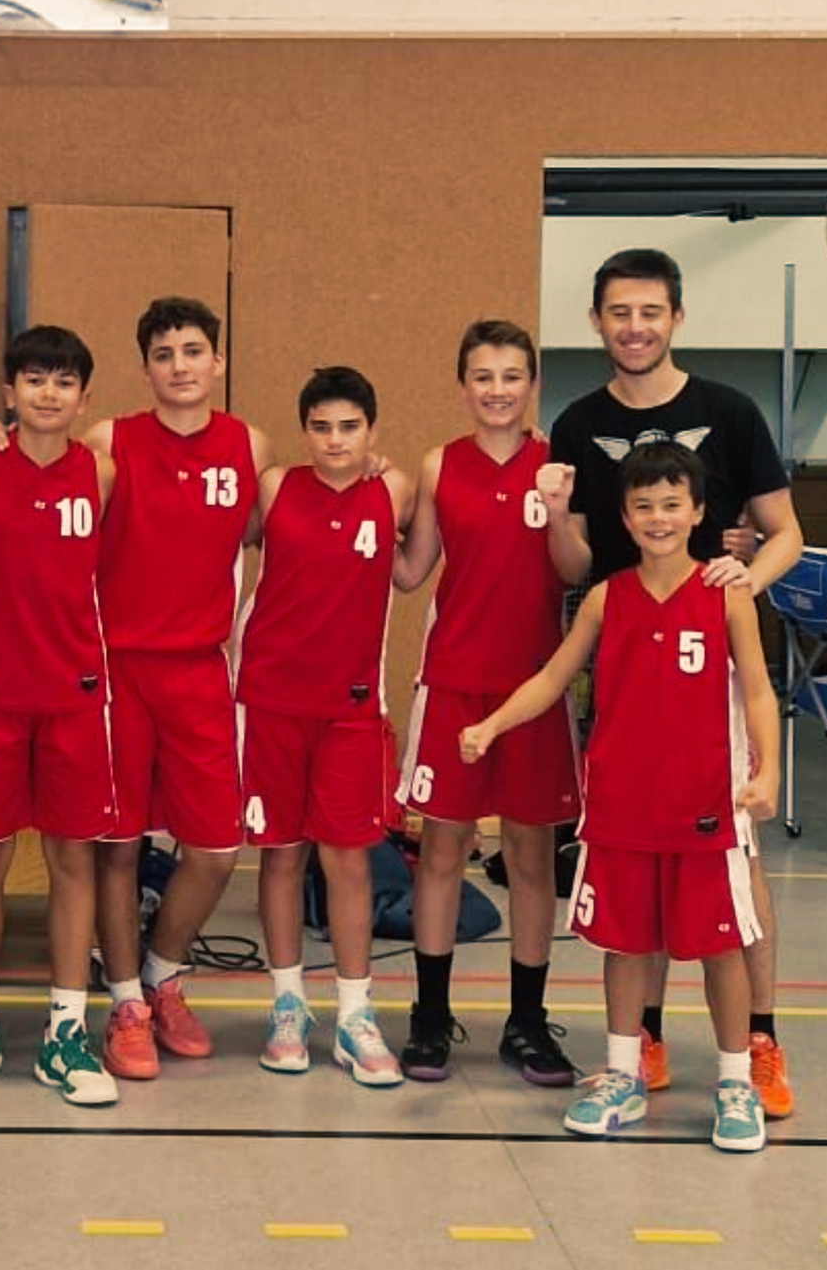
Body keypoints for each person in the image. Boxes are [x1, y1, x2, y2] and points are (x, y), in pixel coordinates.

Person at [461, 441, 779, 1153]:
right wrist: (491, 724)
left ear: (697, 511)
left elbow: (759, 691)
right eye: (644, 507)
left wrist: (768, 774)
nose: (658, 518)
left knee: (720, 947)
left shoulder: (726, 592)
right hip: (621, 809)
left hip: (706, 805)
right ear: (626, 518)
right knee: (626, 945)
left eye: (672, 504)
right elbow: (552, 678)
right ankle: (623, 1073)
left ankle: (735, 1081)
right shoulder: (607, 597)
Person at [544, 247, 802, 1118]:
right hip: (626, 662)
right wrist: (555, 518)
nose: (635, 327)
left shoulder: (729, 411)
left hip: (708, 668)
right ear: (597, 321)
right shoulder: (577, 422)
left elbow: (783, 532)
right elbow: (575, 562)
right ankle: (640, 1040)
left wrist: (741, 582)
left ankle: (758, 1041)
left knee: (736, 866)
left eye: (650, 311)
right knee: (636, 865)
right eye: (619, 312)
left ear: (676, 317)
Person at [391, 322, 588, 1084]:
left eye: (511, 376)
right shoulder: (440, 463)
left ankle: (527, 1021)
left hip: (534, 686)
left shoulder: (557, 465)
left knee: (531, 855)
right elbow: (411, 570)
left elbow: (574, 568)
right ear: (463, 384)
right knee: (442, 851)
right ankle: (431, 1015)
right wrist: (368, 493)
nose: (497, 389)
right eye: (483, 375)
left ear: (532, 383)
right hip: (453, 682)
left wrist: (560, 511)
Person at [0, 325, 121, 1108]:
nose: (48, 392)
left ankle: (66, 1030)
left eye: (63, 380)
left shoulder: (100, 472)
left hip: (74, 696)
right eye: (34, 378)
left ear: (84, 396)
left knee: (74, 862)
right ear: (9, 392)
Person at [87, 297, 266, 1080]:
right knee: (118, 845)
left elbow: (280, 517)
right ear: (146, 368)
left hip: (200, 669)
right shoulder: (110, 441)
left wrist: (372, 470)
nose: (180, 365)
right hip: (118, 668)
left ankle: (163, 972)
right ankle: (126, 1002)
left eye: (193, 350)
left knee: (218, 847)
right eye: (164, 354)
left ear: (217, 361)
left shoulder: (249, 446)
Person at [236, 365, 414, 1087]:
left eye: (349, 427)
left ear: (372, 430)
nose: (336, 440)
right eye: (321, 427)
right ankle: (288, 1006)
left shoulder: (395, 489)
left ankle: (355, 1014)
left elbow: (412, 572)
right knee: (280, 856)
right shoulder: (275, 486)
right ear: (303, 430)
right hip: (271, 697)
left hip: (350, 707)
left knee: (347, 859)